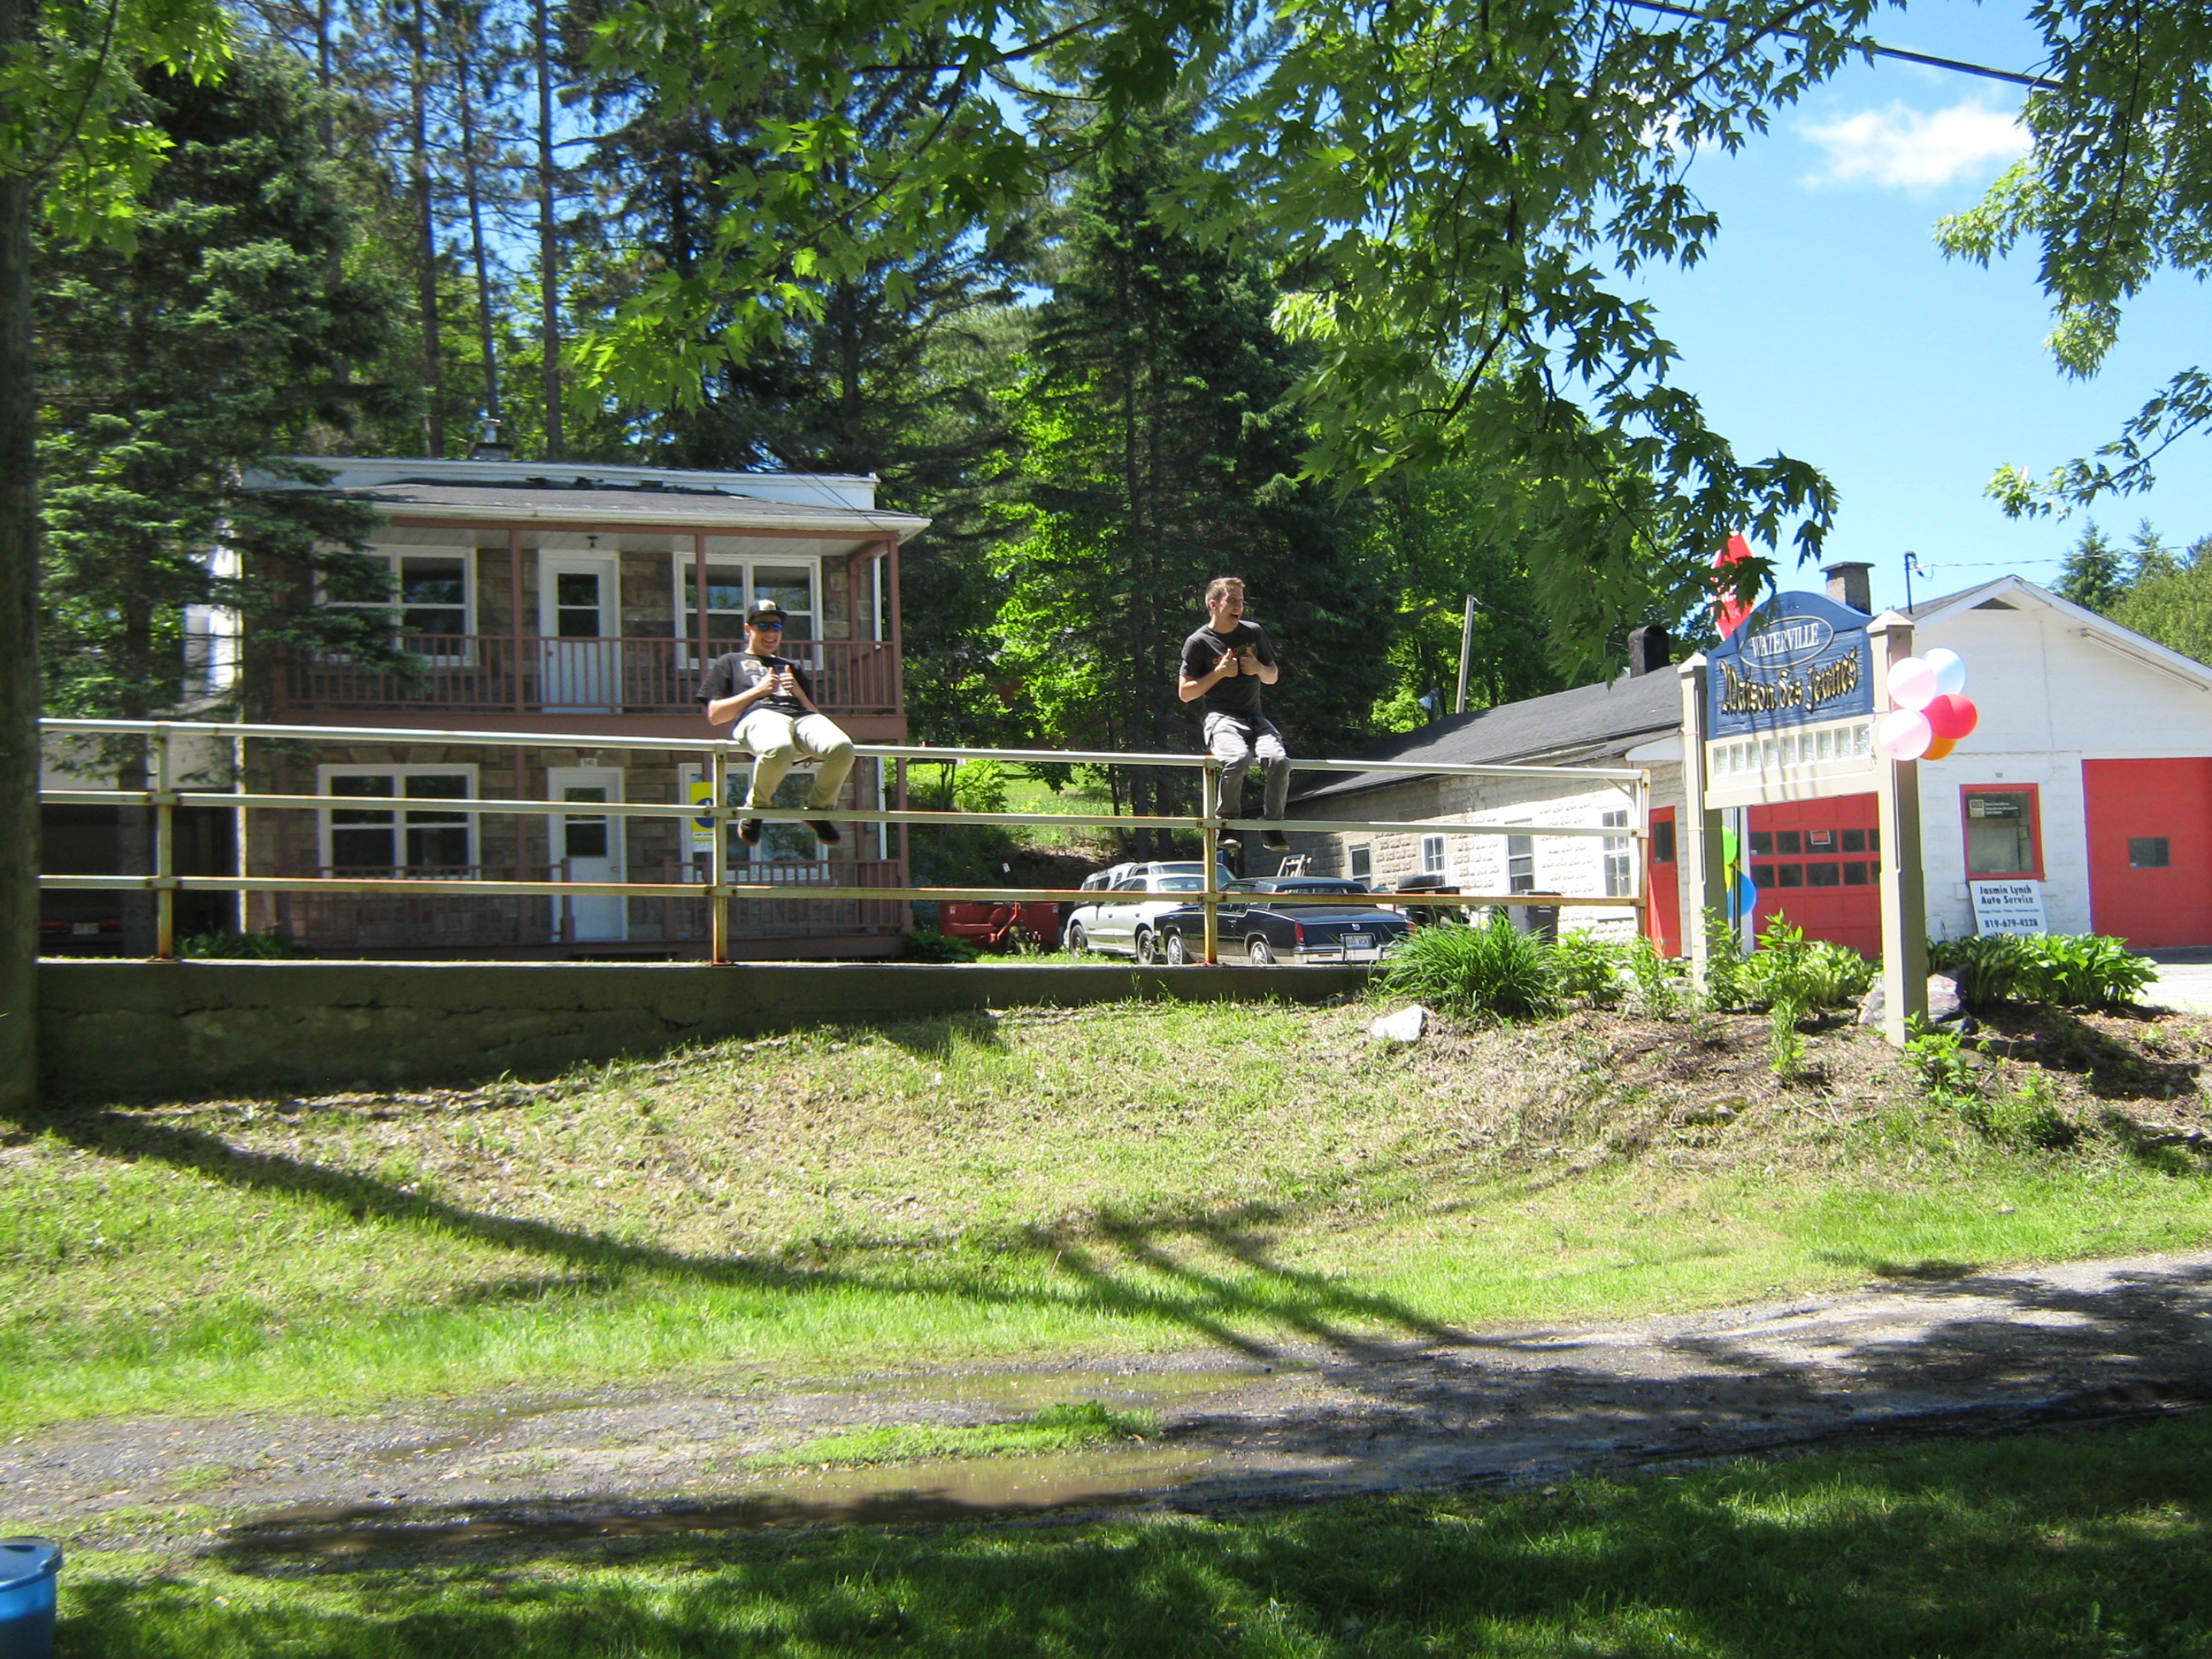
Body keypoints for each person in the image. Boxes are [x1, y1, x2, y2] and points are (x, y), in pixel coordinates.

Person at [698, 599, 856, 846]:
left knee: (842, 748)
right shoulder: (730, 661)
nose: (771, 633)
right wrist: (757, 691)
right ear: (748, 629)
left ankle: (817, 810)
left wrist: (799, 693)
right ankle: (756, 808)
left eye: (777, 627)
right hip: (759, 716)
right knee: (780, 748)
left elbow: (812, 712)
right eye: (764, 626)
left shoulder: (790, 667)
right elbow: (716, 715)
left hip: (800, 718)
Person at [1178, 575, 1291, 853]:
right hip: (1221, 718)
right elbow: (1185, 693)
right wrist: (1217, 674)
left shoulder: (1253, 632)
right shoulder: (1199, 641)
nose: (1239, 606)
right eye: (1233, 600)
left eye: (1241, 600)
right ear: (1214, 605)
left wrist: (1258, 669)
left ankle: (1271, 826)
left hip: (1255, 717)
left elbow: (1272, 676)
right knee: (1237, 758)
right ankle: (1228, 825)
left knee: (1279, 761)